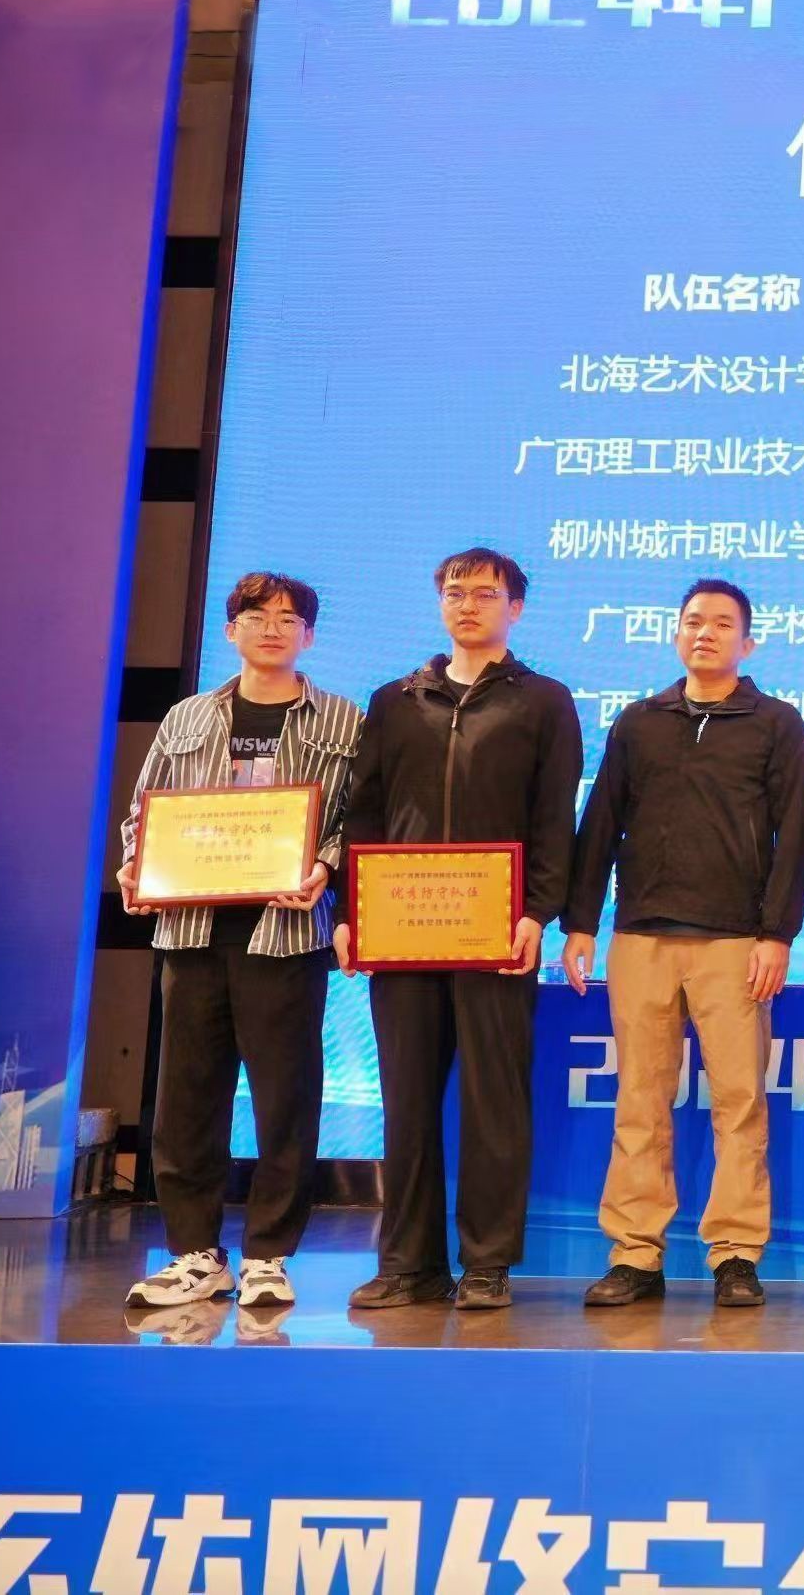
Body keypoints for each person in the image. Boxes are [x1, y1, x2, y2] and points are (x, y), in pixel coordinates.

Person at [335, 546, 582, 1312]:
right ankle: (409, 1263)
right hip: (401, 930)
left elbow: (554, 818)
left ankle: (486, 1263)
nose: (467, 604)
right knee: (407, 1102)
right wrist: (349, 913)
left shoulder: (544, 701)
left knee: (493, 1103)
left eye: (484, 593)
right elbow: (363, 812)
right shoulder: (396, 699)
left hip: (495, 933)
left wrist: (537, 912)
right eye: (454, 592)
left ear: (516, 608)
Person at [562, 579, 804, 1311]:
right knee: (640, 1101)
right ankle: (636, 1253)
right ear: (675, 634)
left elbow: (795, 835)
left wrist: (777, 934)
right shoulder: (640, 722)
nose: (705, 633)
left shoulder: (776, 724)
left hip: (734, 942)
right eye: (694, 621)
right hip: (641, 936)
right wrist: (581, 923)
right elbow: (600, 823)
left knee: (740, 1102)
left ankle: (735, 1252)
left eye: (722, 624)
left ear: (749, 642)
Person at [116, 572, 361, 1313]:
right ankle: (195, 1253)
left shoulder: (344, 719)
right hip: (192, 931)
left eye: (289, 618)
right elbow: (145, 812)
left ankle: (267, 1257)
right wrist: (135, 864)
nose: (273, 628)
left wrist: (325, 866)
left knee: (286, 1100)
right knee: (186, 1098)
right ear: (231, 631)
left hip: (285, 934)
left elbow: (358, 816)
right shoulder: (188, 716)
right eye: (257, 616)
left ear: (309, 635)